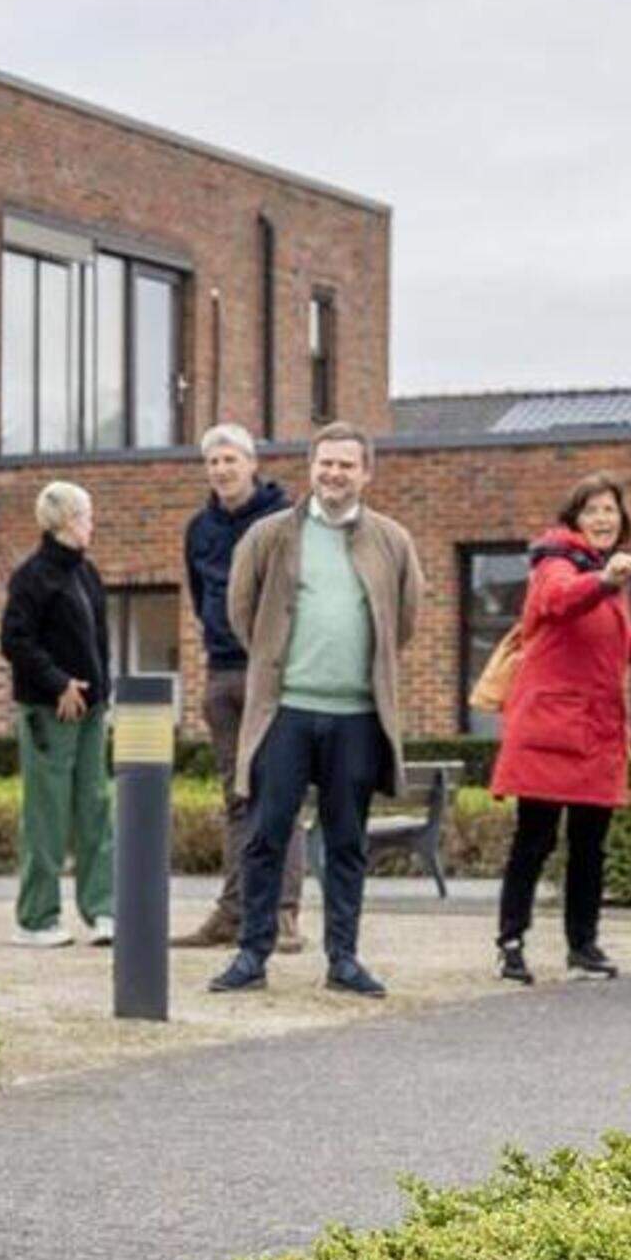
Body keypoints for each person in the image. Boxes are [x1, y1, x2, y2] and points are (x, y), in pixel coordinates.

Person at [207, 423, 421, 999]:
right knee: (266, 834)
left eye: (346, 466)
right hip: (286, 713)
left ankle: (344, 958)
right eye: (325, 464)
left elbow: (405, 620)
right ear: (311, 467)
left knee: (347, 840)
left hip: (355, 717)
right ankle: (253, 954)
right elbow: (242, 610)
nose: (334, 475)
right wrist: (279, 663)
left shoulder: (393, 541)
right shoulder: (269, 535)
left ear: (366, 473)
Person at [486, 475, 631, 984]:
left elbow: (597, 639)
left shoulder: (603, 571)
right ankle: (511, 942)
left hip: (596, 727)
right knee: (534, 838)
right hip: (553, 726)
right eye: (593, 511)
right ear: (575, 520)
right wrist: (606, 581)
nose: (604, 519)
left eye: (611, 510)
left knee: (591, 843)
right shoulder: (556, 562)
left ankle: (582, 945)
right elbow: (560, 602)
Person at [180, 425, 302, 952]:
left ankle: (283, 913)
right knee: (236, 798)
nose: (221, 470)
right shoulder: (199, 529)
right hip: (222, 674)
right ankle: (233, 912)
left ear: (252, 463)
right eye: (213, 462)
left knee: (280, 793)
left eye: (230, 460)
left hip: (274, 671)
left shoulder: (285, 521)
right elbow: (198, 590)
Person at [1, 480, 114, 946]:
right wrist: (59, 683)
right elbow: (16, 642)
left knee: (95, 808)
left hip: (91, 712)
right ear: (67, 521)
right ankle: (36, 918)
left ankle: (103, 910)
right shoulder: (33, 576)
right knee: (46, 816)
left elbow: (97, 642)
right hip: (49, 713)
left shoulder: (85, 574)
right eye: (86, 516)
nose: (92, 524)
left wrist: (101, 697)